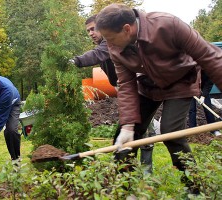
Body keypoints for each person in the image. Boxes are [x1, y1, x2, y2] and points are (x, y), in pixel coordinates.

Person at [95, 3, 222, 194]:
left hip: (180, 83)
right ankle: (122, 188)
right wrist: (129, 125)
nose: (108, 43)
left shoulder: (167, 25)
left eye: (110, 38)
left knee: (171, 132)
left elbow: (210, 57)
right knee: (126, 131)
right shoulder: (116, 48)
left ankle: (195, 188)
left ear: (126, 29)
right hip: (147, 86)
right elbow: (127, 84)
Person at [71, 15, 154, 174]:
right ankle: (135, 172)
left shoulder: (109, 43)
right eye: (88, 30)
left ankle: (145, 174)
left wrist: (75, 61)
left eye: (93, 29)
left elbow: (96, 54)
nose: (90, 33)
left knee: (143, 130)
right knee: (137, 129)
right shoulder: (102, 47)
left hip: (137, 88)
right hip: (123, 89)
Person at [189, 71, 221, 136]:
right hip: (191, 89)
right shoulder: (190, 68)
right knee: (192, 110)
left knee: (208, 108)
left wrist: (203, 96)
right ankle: (192, 131)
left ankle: (214, 129)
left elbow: (209, 83)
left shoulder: (207, 69)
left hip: (203, 88)